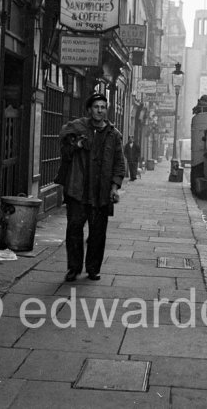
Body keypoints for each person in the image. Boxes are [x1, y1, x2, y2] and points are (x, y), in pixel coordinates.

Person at [57, 92, 125, 282]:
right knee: (74, 231)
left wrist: (114, 187)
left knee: (97, 234)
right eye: (96, 107)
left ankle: (93, 268)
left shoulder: (114, 135)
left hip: (101, 193)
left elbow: (119, 163)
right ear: (89, 109)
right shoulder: (76, 128)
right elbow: (64, 149)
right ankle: (74, 268)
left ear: (106, 110)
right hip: (78, 190)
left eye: (103, 107)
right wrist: (76, 144)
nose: (100, 110)